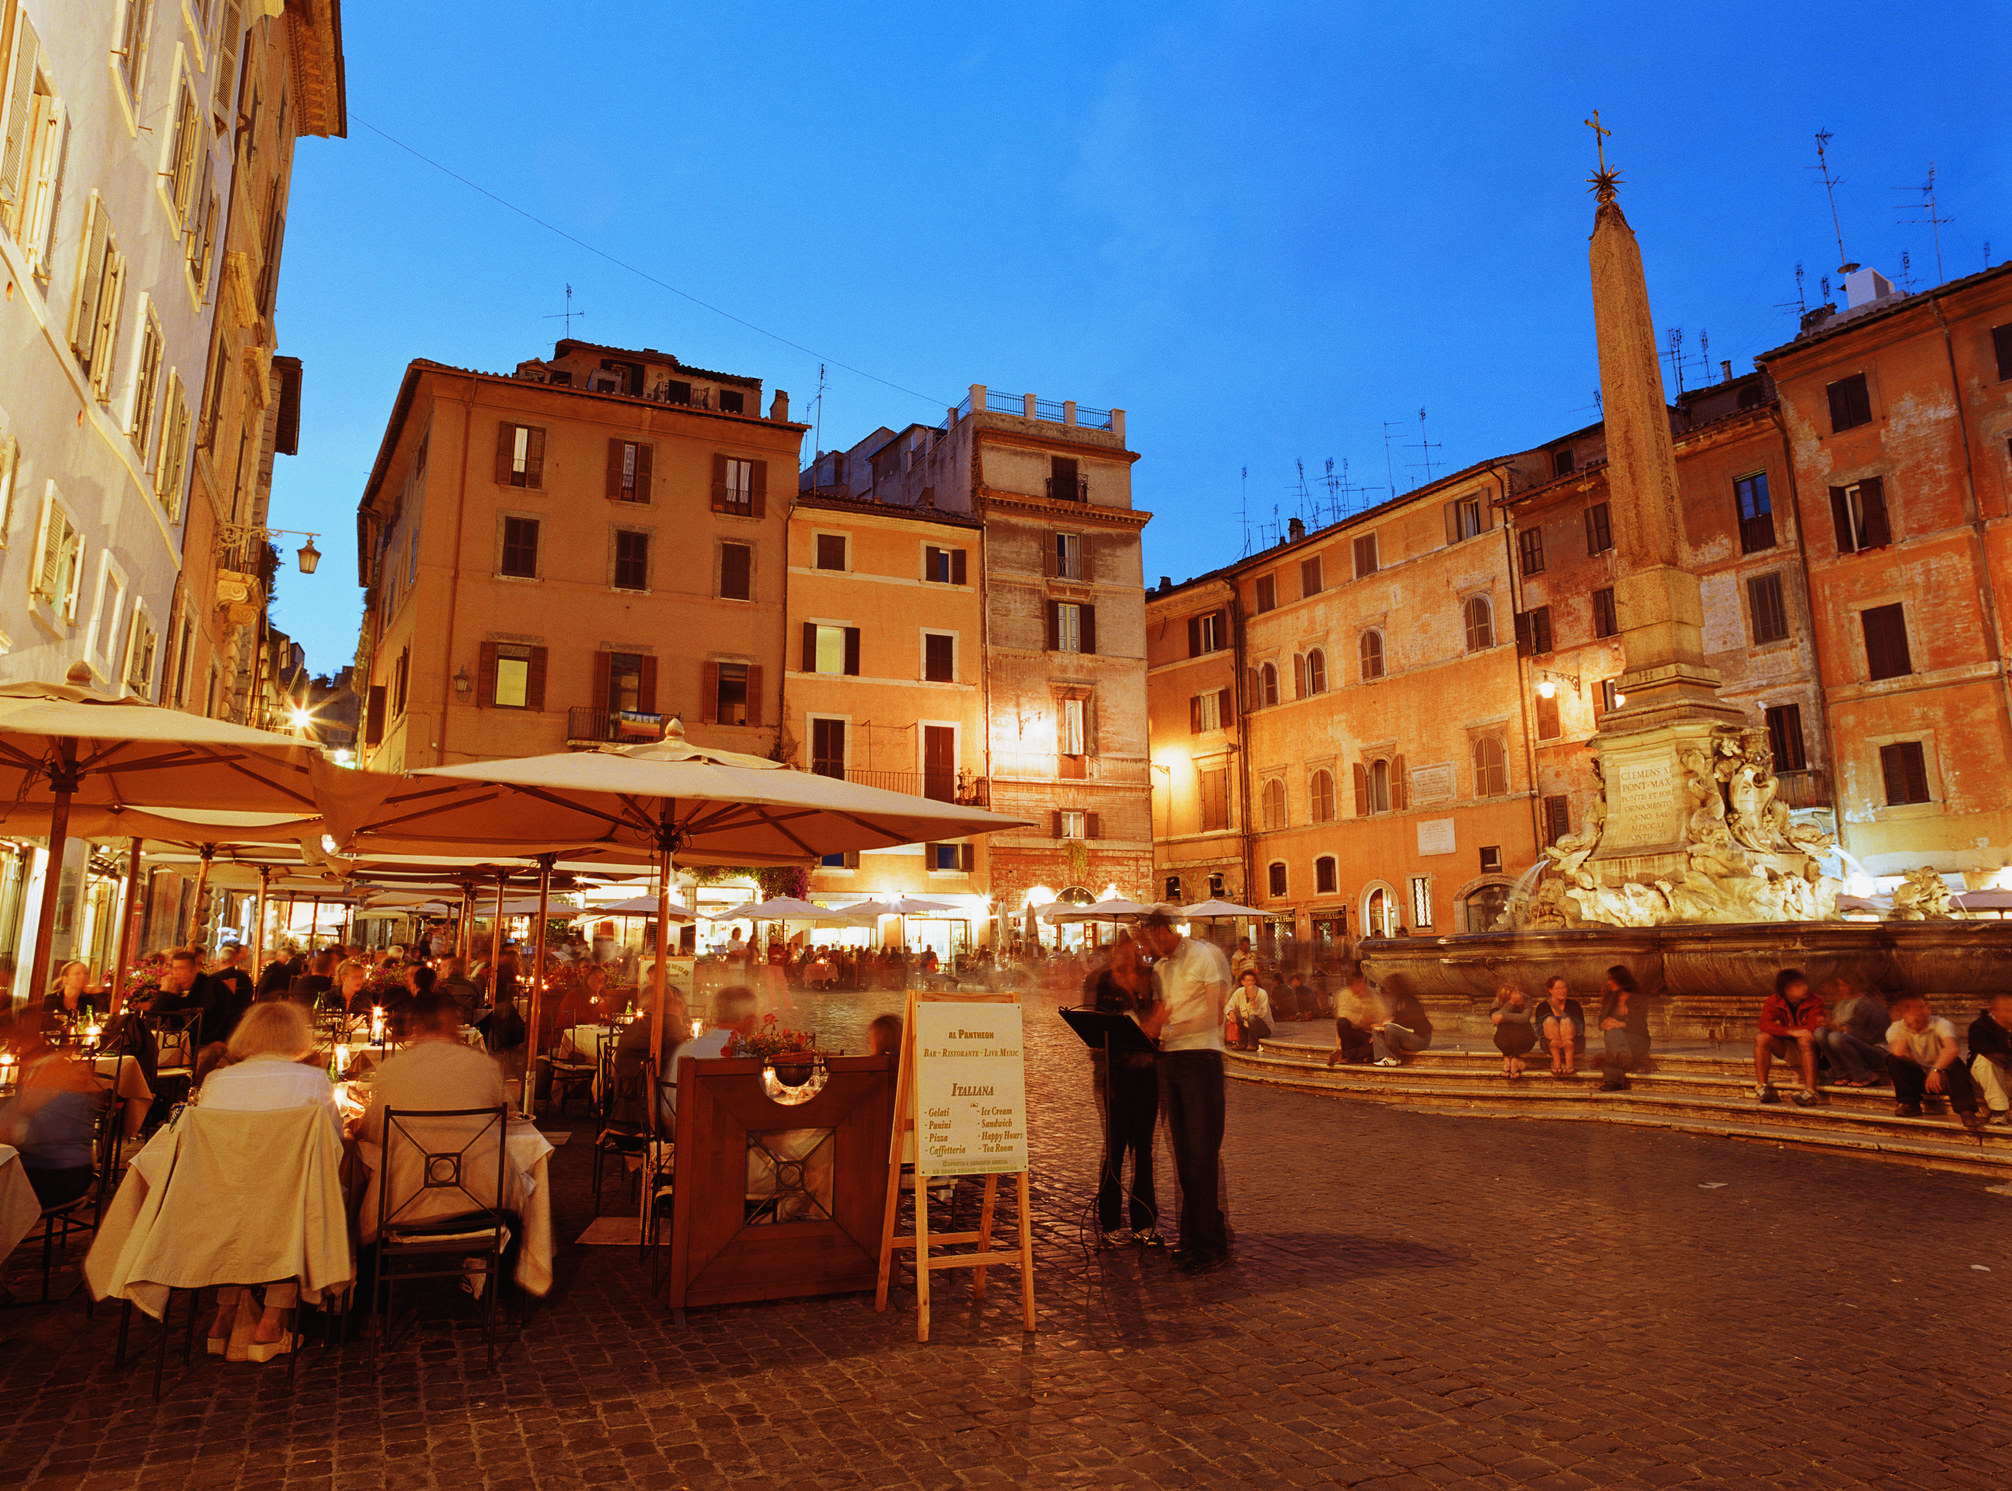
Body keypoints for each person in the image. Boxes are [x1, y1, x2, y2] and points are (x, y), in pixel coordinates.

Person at [195, 1000, 342, 1363]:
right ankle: (271, 1322)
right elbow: (333, 1146)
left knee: (244, 1206)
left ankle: (224, 1316)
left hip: (220, 1202)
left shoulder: (216, 1082)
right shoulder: (312, 1080)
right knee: (297, 1199)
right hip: (285, 1205)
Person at [1137, 909, 1231, 1274]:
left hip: (1201, 1059)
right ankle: (1195, 1238)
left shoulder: (1205, 956)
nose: (1152, 946)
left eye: (1154, 938)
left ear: (1167, 929)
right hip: (1171, 1063)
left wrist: (1167, 1029)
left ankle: (1210, 1245)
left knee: (1202, 1156)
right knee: (1184, 1156)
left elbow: (1215, 1015)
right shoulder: (1161, 969)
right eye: (1147, 941)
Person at [1085, 934, 1160, 1247]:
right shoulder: (1100, 981)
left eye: (1134, 953)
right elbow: (1090, 1027)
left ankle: (1144, 1222)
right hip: (1114, 1073)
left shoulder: (1150, 977)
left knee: (1143, 1150)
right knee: (1115, 1148)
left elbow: (1158, 1015)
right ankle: (1110, 1221)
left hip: (1146, 1072)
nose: (1130, 959)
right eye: (1124, 953)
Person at [0, 1027, 106, 1208]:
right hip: (60, 1171)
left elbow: (23, 1137)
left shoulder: (58, 1093)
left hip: (60, 1176)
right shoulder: (50, 1085)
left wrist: (20, 1114)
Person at [1887, 993, 1983, 1129]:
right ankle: (1910, 1103)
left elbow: (1952, 1048)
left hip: (1945, 1077)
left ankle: (1966, 1111)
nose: (1919, 1011)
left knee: (1955, 1062)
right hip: (1920, 1078)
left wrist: (1937, 1070)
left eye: (1921, 1007)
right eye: (1911, 1008)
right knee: (1893, 1060)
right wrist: (1907, 1026)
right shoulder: (1897, 1028)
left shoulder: (1941, 1023)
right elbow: (1898, 1052)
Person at [1754, 968, 1826, 1106]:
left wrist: (1797, 1033)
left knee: (1804, 1039)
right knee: (1762, 1038)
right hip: (1788, 1047)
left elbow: (1814, 1026)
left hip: (1810, 1049)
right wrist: (1790, 1032)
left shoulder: (1815, 1000)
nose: (1805, 988)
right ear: (1787, 989)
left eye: (1804, 984)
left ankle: (1811, 1091)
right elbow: (1764, 1024)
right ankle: (1762, 1086)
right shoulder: (1774, 1001)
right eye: (1799, 986)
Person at [1818, 976, 1890, 1088]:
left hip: (1874, 1050)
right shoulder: (1842, 1004)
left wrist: (1844, 1031)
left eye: (1844, 985)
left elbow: (1880, 1035)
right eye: (1839, 985)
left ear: (1855, 986)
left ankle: (1865, 1075)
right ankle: (1842, 1073)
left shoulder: (1867, 1005)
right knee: (1820, 1033)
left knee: (1836, 1037)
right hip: (1848, 1048)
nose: (1841, 988)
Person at [1597, 965, 1652, 1092]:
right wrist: (1606, 1023)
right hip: (1617, 1040)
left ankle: (1612, 1081)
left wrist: (1620, 1024)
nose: (1608, 982)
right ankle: (1624, 1058)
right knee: (1612, 1033)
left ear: (1621, 979)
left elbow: (1640, 1025)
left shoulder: (1639, 997)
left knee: (1612, 1038)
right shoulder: (1611, 997)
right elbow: (1601, 1021)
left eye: (1611, 979)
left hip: (1638, 1040)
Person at [1966, 992, 2012, 1123]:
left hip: (2008, 1078)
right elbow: (1983, 1049)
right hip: (1987, 1078)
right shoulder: (1980, 1026)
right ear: (1996, 1011)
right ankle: (1999, 1110)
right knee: (1984, 1061)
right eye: (2007, 1010)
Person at [1327, 969, 1380, 1067]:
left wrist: (1372, 1018)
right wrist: (1362, 1019)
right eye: (1359, 983)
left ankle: (1346, 1055)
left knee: (1380, 1044)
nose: (1363, 985)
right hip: (1352, 1035)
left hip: (1369, 1033)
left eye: (1363, 982)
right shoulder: (1344, 995)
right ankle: (1359, 1056)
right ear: (1352, 985)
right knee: (1342, 1023)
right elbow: (1343, 1014)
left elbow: (1382, 1013)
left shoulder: (1372, 993)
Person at [1371, 986, 1432, 1067]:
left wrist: (1390, 1023)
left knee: (1390, 1028)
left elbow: (1409, 1022)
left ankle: (1393, 1058)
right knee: (1376, 1030)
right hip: (1408, 1033)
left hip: (1420, 1039)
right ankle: (1382, 1057)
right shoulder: (1398, 1002)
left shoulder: (1410, 1001)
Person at [1537, 977, 1583, 1079]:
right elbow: (1539, 1031)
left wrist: (1566, 1037)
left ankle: (1569, 1063)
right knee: (1549, 1020)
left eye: (1564, 988)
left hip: (1572, 1043)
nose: (1563, 991)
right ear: (1550, 990)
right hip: (1550, 1045)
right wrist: (1554, 1039)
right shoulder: (1543, 1006)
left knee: (1566, 1021)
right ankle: (1557, 1062)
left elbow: (1580, 1029)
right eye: (1558, 989)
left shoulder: (1574, 1005)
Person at [1490, 983, 1536, 1079]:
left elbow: (1524, 1018)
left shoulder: (1526, 999)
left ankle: (1514, 1061)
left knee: (1514, 1026)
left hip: (1524, 1038)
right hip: (1504, 1039)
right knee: (1504, 1027)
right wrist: (1511, 1003)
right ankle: (1508, 1060)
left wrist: (1504, 1016)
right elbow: (1494, 1019)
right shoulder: (1497, 1002)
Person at [1224, 970, 1272, 1052]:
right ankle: (1243, 1042)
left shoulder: (1262, 993)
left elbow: (1261, 1015)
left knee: (1252, 1018)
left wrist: (1253, 1001)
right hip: (1248, 1026)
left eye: (1252, 980)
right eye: (1248, 981)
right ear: (1243, 982)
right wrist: (1231, 1012)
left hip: (1263, 1028)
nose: (1250, 983)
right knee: (1236, 1015)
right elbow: (1229, 1006)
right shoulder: (1239, 992)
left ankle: (1252, 1044)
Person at [436, 956, 484, 1024]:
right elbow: (478, 1008)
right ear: (463, 970)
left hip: (444, 1024)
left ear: (449, 970)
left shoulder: (440, 986)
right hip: (467, 1023)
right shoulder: (471, 986)